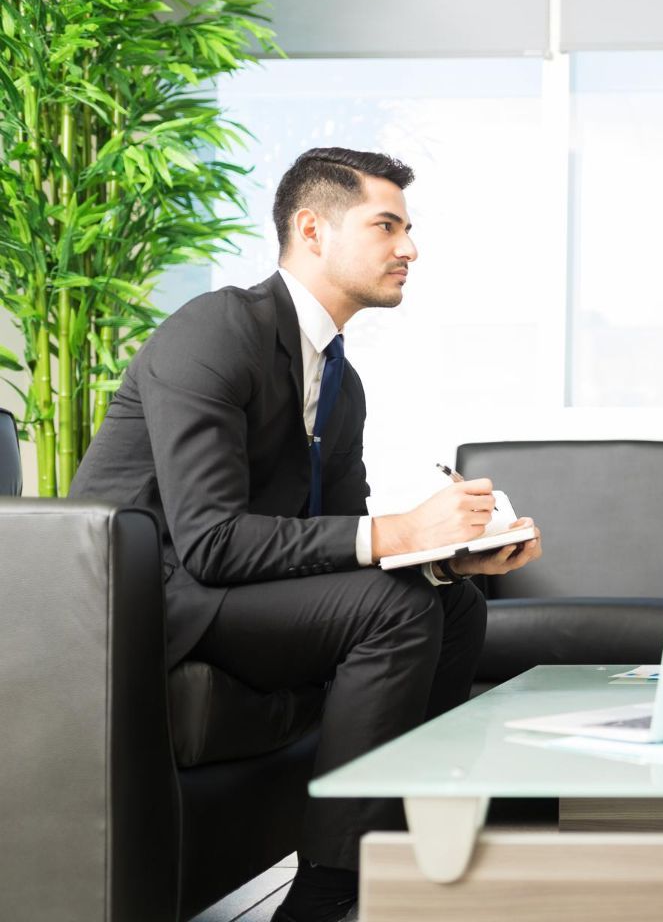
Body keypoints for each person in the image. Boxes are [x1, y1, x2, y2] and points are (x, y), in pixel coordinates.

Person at [71, 147, 543, 922]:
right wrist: (396, 531)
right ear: (312, 229)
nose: (409, 248)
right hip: (153, 599)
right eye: (386, 225)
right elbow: (211, 541)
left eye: (409, 228)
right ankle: (328, 889)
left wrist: (450, 557)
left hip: (230, 592)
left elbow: (335, 534)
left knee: (451, 604)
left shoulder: (340, 380)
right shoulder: (216, 330)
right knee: (390, 610)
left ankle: (402, 852)